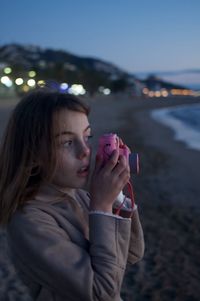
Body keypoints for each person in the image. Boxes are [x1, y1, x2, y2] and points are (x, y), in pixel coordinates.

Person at [0, 89, 144, 301]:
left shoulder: (81, 196)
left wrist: (116, 197)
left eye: (87, 137)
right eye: (67, 142)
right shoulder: (29, 221)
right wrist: (102, 206)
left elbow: (132, 253)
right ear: (32, 155)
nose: (85, 150)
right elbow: (100, 292)